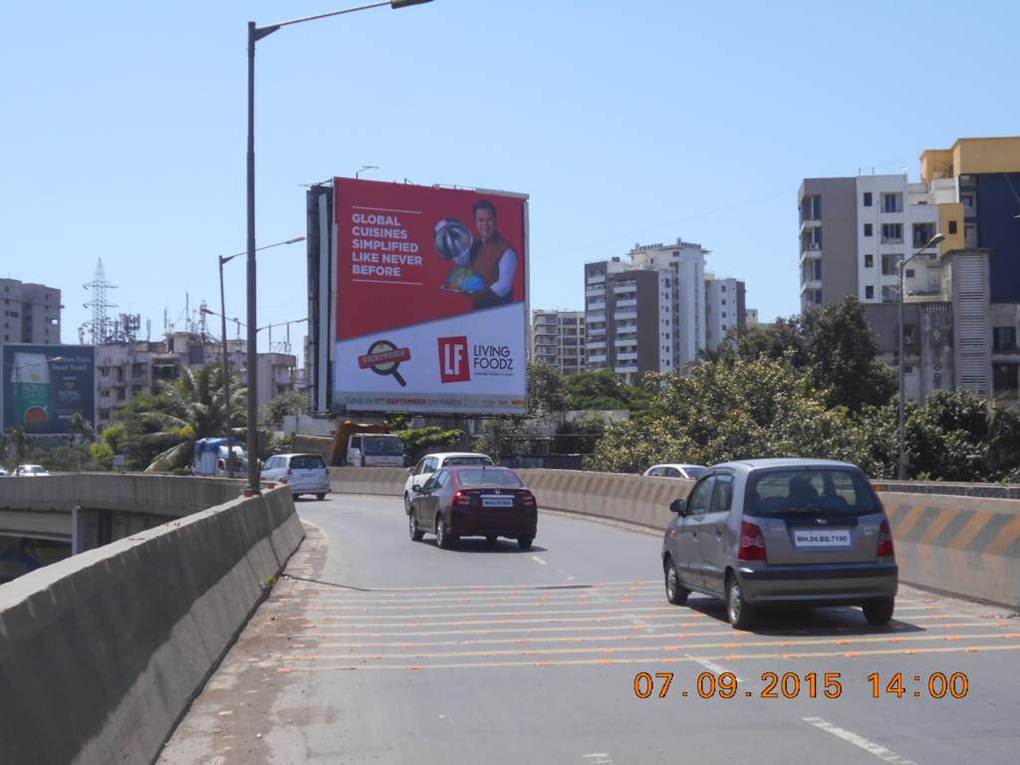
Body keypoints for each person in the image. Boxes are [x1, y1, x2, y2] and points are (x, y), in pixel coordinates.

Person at [453, 200, 518, 309]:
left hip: (499, 313)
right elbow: (461, 262)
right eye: (480, 220)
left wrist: (477, 294)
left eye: (489, 220)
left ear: (495, 221)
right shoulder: (474, 245)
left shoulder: (506, 252)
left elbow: (503, 287)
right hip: (478, 314)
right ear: (475, 222)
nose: (485, 225)